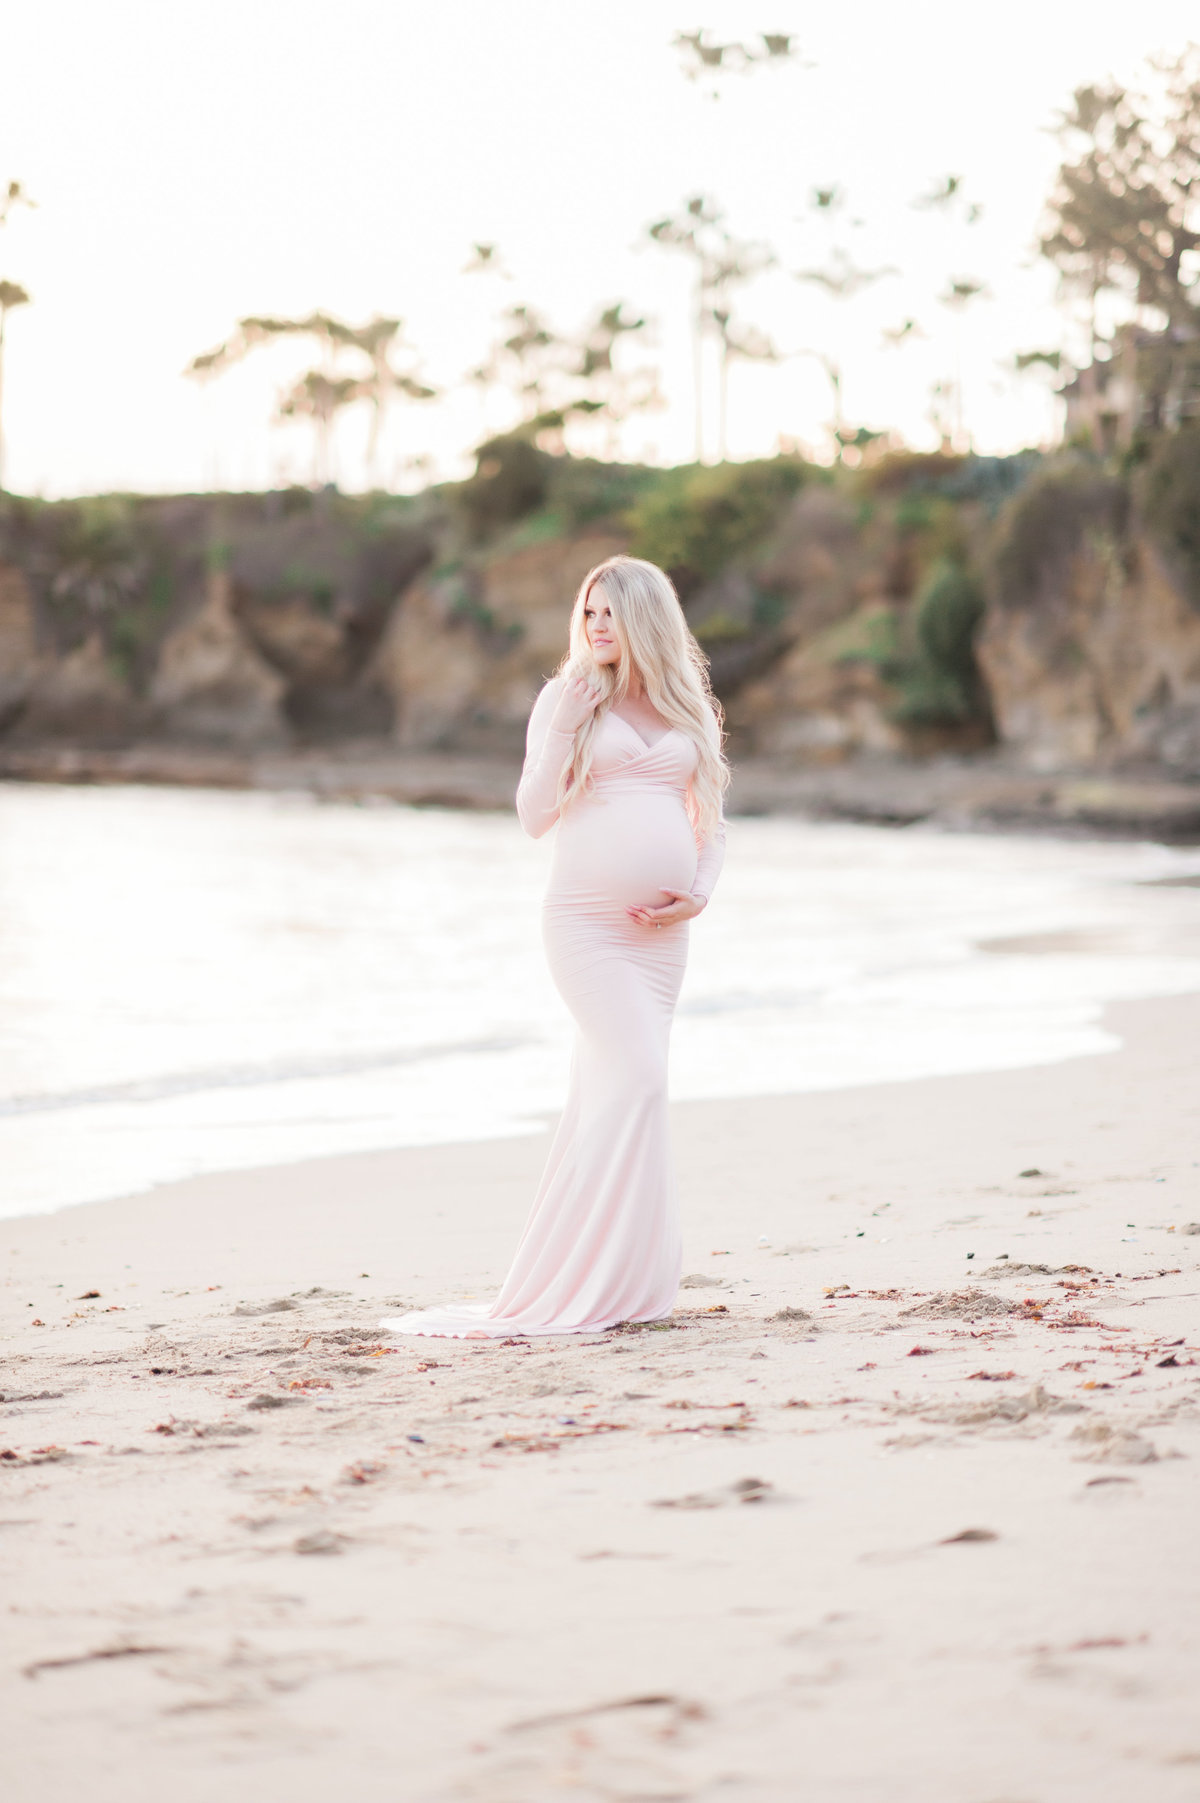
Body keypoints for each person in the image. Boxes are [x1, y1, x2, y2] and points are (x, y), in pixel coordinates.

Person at [380, 554, 729, 1338]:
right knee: (636, 1076)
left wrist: (699, 892)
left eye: (611, 612)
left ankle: (628, 1280)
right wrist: (565, 730)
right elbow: (534, 814)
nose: (596, 625)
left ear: (647, 618)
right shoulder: (565, 698)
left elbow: (712, 820)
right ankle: (584, 1278)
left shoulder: (688, 709)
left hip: (659, 941)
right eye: (589, 612)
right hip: (584, 927)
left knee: (622, 1090)